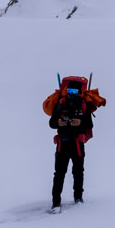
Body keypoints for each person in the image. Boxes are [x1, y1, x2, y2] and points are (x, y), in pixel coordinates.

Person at [42, 75, 106, 210]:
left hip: (77, 143)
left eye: (74, 92)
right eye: (69, 91)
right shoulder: (60, 103)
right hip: (62, 144)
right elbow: (51, 123)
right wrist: (58, 122)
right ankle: (56, 202)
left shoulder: (84, 105)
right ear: (66, 90)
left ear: (79, 92)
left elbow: (89, 124)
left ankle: (78, 199)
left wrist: (80, 122)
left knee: (78, 172)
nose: (72, 94)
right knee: (59, 172)